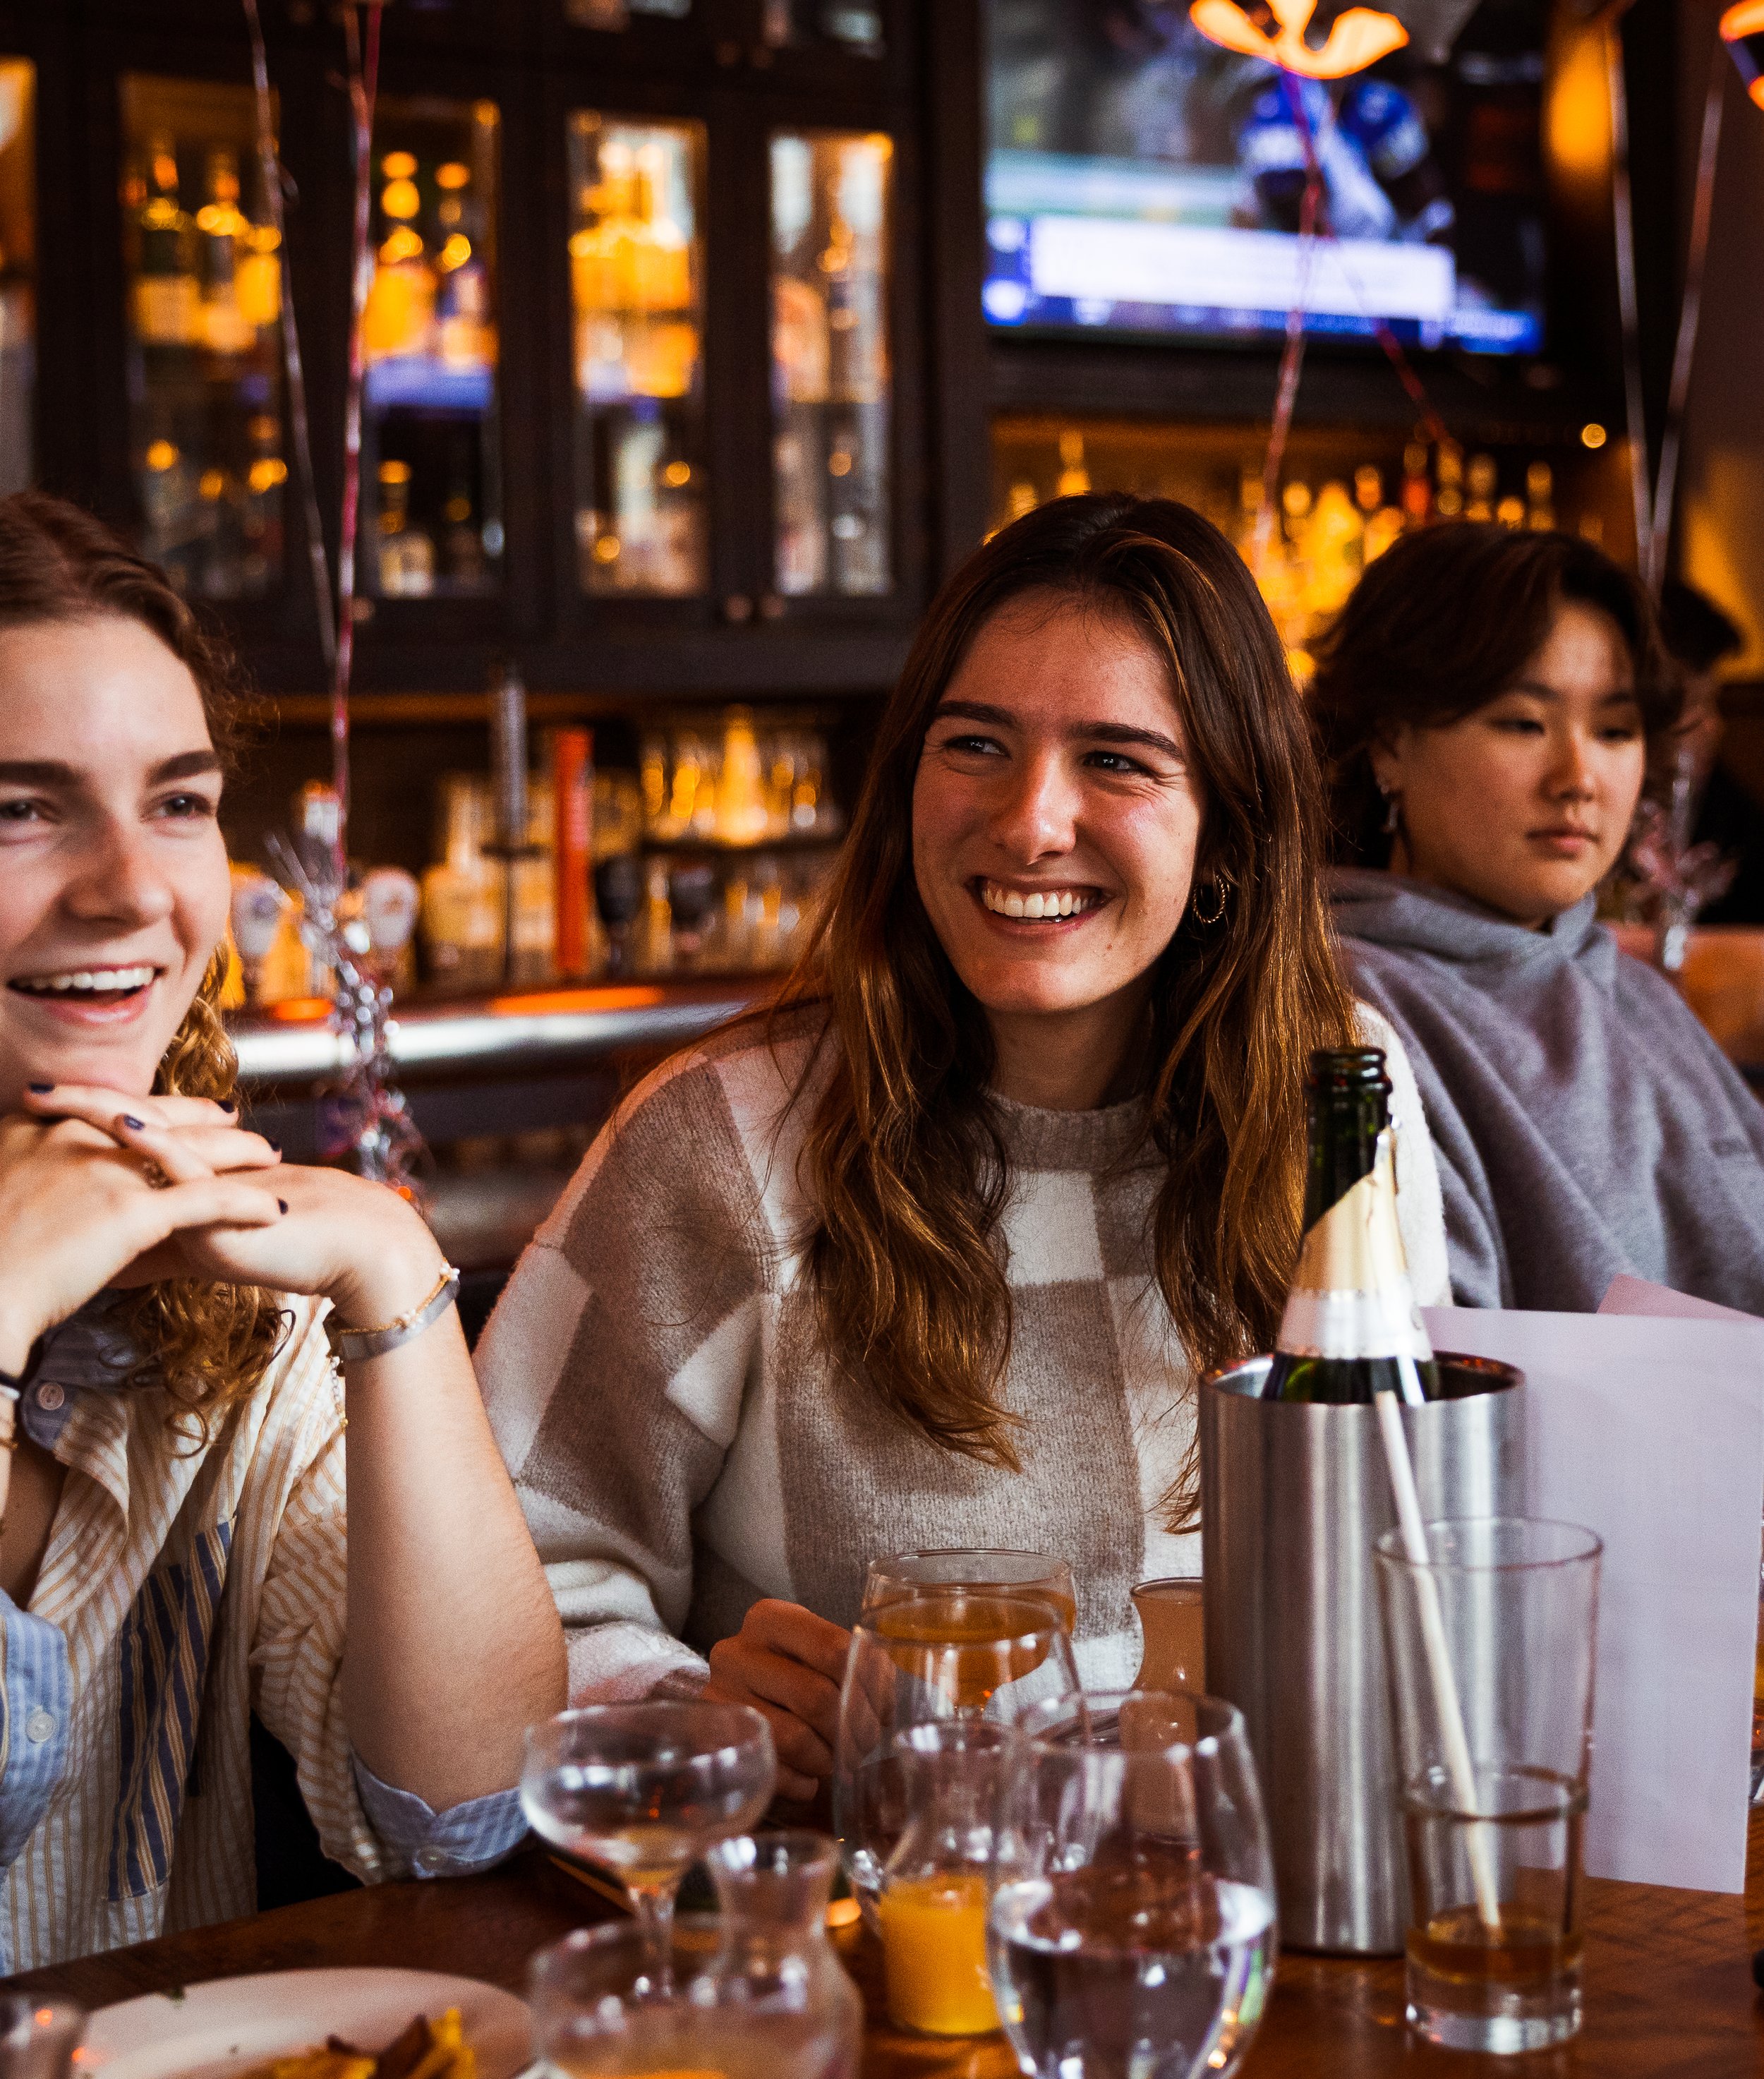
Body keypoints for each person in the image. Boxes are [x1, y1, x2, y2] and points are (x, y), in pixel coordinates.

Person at [476, 493, 1449, 1804]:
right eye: (978, 742)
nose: (1030, 820)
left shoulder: (1338, 1101)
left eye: (1117, 761)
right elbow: (496, 1583)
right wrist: (684, 1704)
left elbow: (1415, 1530)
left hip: (1249, 1915)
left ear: (1228, 824)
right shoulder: (723, 1137)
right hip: (873, 1944)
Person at [0, 493, 564, 1970]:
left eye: (177, 801)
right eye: (19, 807)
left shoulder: (235, 1309)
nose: (133, 889)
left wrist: (393, 1280)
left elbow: (467, 1813)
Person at [1313, 520, 1764, 1315]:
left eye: (1616, 730)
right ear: (1387, 742)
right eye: (1523, 722)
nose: (1579, 777)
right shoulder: (1350, 1013)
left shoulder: (1626, 987)